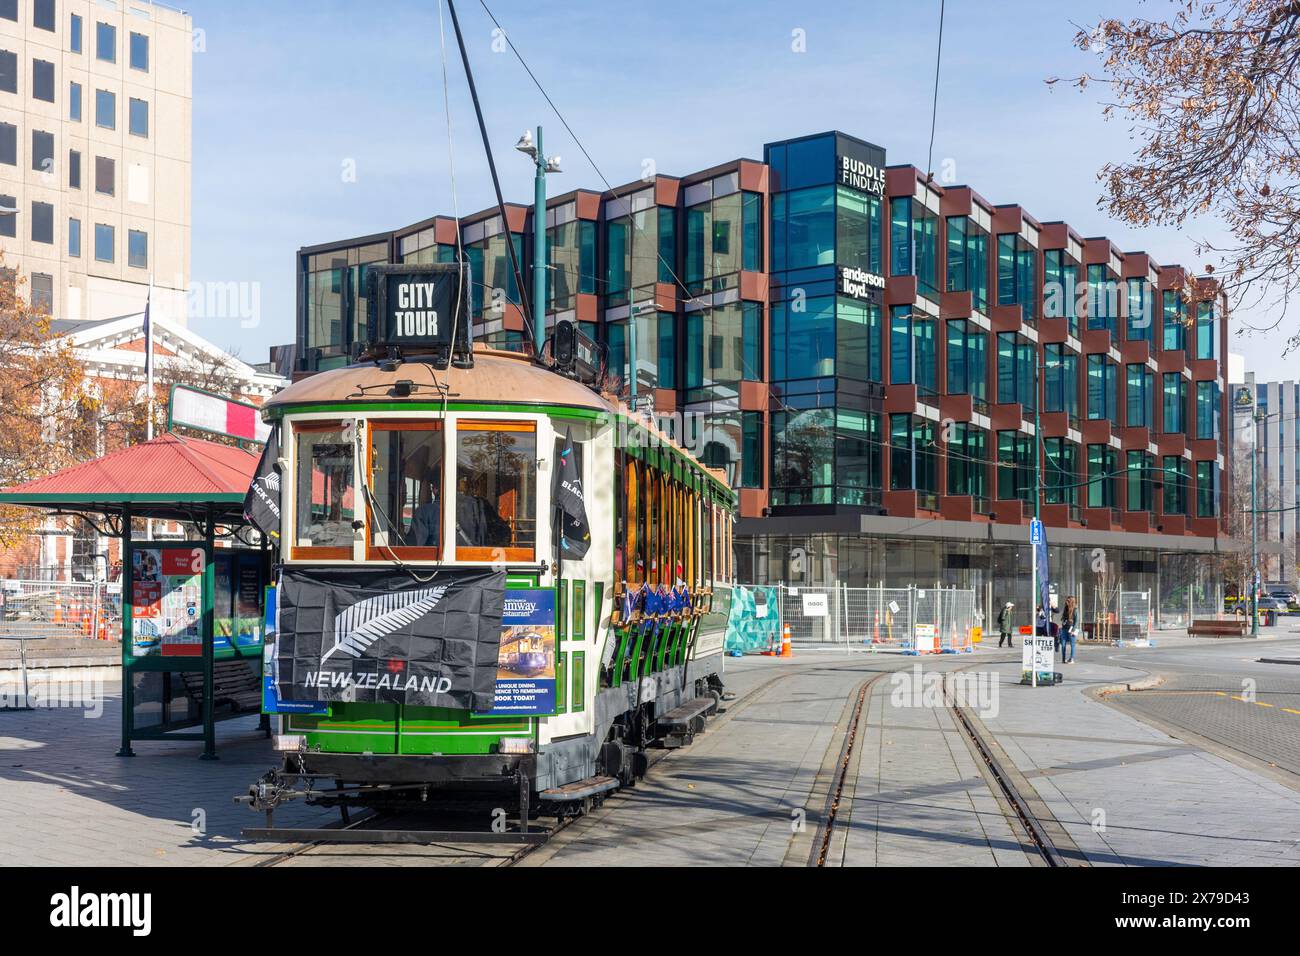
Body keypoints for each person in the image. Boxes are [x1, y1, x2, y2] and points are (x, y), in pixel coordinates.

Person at [1060, 595, 1078, 663]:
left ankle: (1072, 658)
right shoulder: (1066, 609)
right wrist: (1063, 621)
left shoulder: (1075, 610)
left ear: (1071, 602)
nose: (1066, 602)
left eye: (1068, 601)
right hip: (1064, 628)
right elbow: (1063, 618)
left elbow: (1077, 621)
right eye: (1066, 601)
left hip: (1071, 629)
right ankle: (1063, 658)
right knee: (1063, 644)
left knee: (1072, 644)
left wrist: (1073, 630)